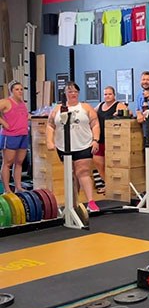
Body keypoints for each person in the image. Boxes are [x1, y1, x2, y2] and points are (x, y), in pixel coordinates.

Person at [46, 82, 101, 212]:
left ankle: (91, 202)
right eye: (70, 92)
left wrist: (96, 140)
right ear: (65, 94)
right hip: (64, 147)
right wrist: (49, 141)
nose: (73, 94)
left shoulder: (86, 107)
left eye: (75, 91)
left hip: (84, 145)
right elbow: (50, 125)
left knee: (82, 172)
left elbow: (95, 124)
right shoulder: (58, 109)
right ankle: (73, 203)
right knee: (72, 174)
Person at [93, 86, 127, 193]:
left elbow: (127, 114)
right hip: (100, 138)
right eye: (105, 94)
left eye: (109, 94)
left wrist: (120, 114)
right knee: (98, 161)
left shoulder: (119, 105)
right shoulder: (100, 105)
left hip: (113, 139)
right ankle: (108, 184)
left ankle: (115, 186)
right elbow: (91, 114)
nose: (107, 96)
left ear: (114, 95)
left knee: (112, 164)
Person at [0, 81, 29, 193]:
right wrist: (3, 122)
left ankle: (18, 187)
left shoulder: (22, 103)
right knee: (8, 163)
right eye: (17, 89)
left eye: (21, 89)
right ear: (11, 91)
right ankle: (7, 190)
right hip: (10, 135)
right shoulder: (6, 102)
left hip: (23, 134)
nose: (20, 91)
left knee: (19, 162)